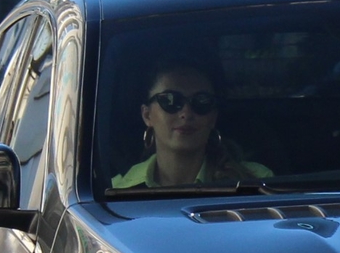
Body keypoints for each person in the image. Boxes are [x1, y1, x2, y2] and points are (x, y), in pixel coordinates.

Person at [111, 62, 273, 189]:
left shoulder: (256, 181)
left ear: (213, 117)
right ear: (147, 115)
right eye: (171, 100)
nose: (186, 114)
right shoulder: (117, 189)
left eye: (201, 102)